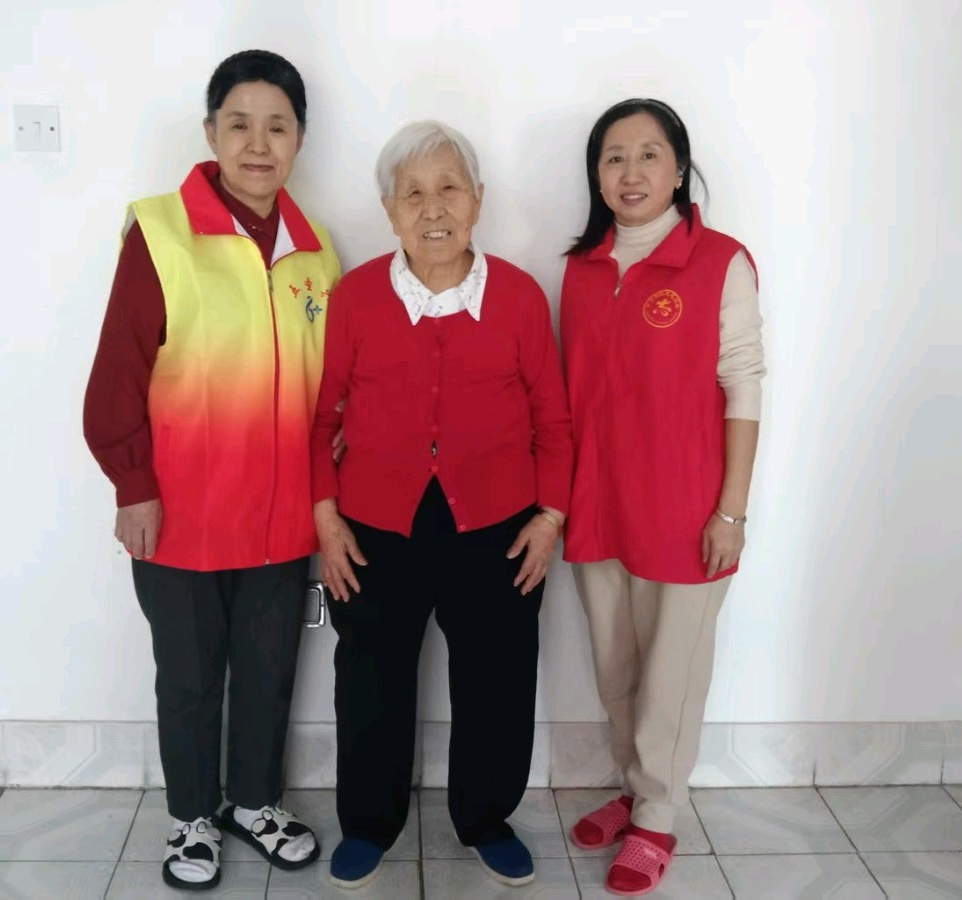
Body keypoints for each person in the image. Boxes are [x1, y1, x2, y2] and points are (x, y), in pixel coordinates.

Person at [82, 49, 338, 891]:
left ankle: (254, 803)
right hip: (181, 513)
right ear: (210, 132)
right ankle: (192, 817)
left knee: (268, 674)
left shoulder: (315, 253)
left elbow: (329, 391)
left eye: (277, 127)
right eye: (239, 125)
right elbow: (117, 374)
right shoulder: (160, 233)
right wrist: (133, 485)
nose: (258, 145)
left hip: (281, 517)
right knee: (190, 679)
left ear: (299, 139)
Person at [309, 120, 572, 890]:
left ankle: (486, 819)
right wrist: (324, 515)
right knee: (370, 681)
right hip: (373, 526)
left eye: (449, 188)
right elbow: (321, 420)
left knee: (497, 678)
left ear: (477, 200)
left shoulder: (518, 297)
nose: (433, 208)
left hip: (498, 526)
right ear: (389, 211)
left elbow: (554, 422)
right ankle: (368, 823)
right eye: (412, 193)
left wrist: (550, 517)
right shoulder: (356, 298)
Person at [559, 98, 765, 897]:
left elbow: (742, 384)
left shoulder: (719, 262)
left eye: (649, 154)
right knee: (616, 665)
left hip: (684, 511)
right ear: (596, 176)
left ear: (678, 169)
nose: (631, 171)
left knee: (670, 676)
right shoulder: (581, 271)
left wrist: (731, 513)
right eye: (613, 157)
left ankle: (656, 816)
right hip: (596, 503)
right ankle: (633, 785)